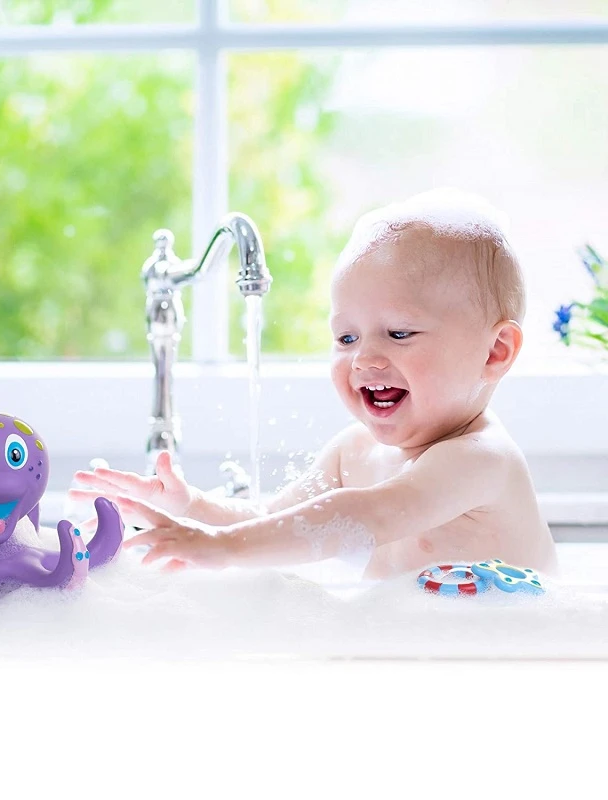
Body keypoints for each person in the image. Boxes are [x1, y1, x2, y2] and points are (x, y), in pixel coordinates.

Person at [69, 188, 557, 578]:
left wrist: (221, 547)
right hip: (408, 647)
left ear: (495, 352)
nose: (364, 358)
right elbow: (270, 522)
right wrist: (190, 508)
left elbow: (368, 515)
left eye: (399, 333)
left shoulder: (481, 460)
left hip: (502, 653)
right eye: (346, 337)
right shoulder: (354, 452)